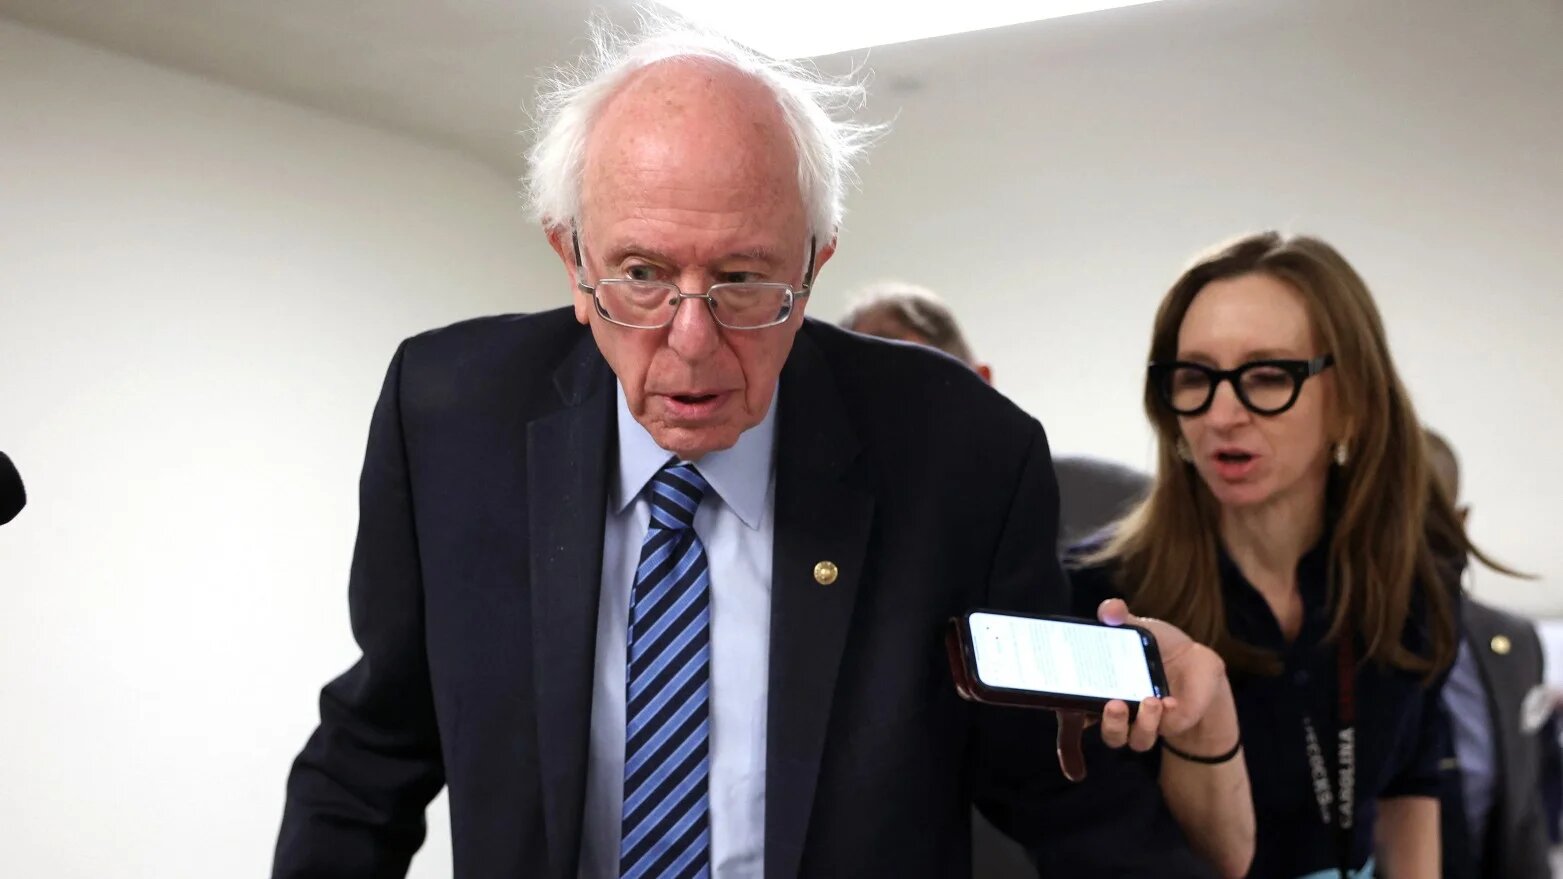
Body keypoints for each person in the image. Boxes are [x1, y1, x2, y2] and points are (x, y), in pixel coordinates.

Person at [271, 18, 1255, 879]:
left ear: (816, 265)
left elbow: (1059, 802)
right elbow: (372, 752)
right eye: (643, 275)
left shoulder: (960, 455)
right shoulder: (450, 418)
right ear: (572, 260)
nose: (692, 343)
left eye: (745, 281)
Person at [1067, 231, 1495, 878]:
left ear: (1350, 401)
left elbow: (1412, 787)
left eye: (1267, 375)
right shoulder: (1101, 595)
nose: (1222, 412)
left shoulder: (1413, 581)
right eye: (1194, 377)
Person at [842, 285, 1154, 879]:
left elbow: (1066, 792)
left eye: (929, 384)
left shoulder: (1089, 522)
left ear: (980, 382)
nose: (905, 416)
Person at [1424, 428, 1555, 879]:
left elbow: (1524, 804)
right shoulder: (1329, 650)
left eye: (1427, 515)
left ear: (1459, 520)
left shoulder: (1514, 642)